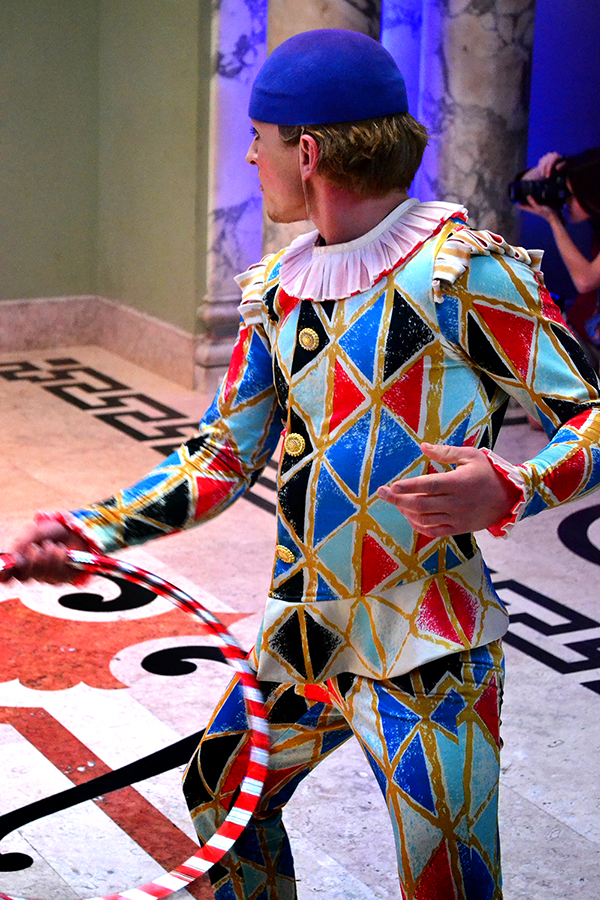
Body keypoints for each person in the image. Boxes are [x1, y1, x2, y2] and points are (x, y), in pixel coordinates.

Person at [3, 29, 600, 900]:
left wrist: (516, 484)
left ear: (308, 152)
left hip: (428, 642)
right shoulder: (280, 291)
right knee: (223, 795)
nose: (251, 158)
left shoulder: (464, 272)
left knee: (448, 881)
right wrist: (86, 531)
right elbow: (221, 457)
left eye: (260, 140)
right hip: (306, 635)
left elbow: (591, 413)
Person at [519, 148, 600, 364]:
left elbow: (585, 281)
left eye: (572, 196)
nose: (565, 201)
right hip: (580, 333)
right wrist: (544, 170)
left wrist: (553, 220)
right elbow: (519, 194)